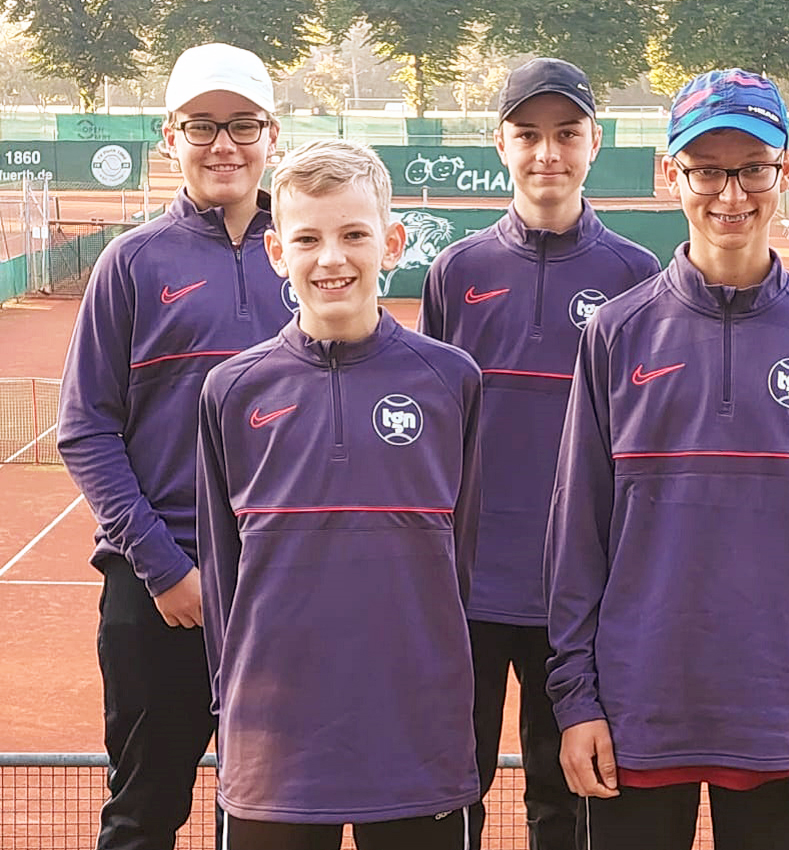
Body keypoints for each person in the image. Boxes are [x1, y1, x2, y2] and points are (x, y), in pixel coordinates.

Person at [544, 68, 789, 850]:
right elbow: (578, 535)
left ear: (783, 173)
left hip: (780, 716)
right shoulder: (615, 335)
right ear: (673, 175)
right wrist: (576, 701)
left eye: (751, 169)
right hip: (636, 712)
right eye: (705, 170)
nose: (729, 195)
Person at [196, 139, 482, 849]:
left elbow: (461, 562)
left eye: (354, 235)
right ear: (275, 252)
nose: (332, 259)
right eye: (308, 238)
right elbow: (221, 576)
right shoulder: (232, 392)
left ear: (391, 242)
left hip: (418, 743)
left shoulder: (451, 382)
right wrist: (232, 709)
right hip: (276, 751)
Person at [418, 57, 660, 850]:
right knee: (455, 789)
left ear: (596, 142)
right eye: (528, 134)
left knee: (567, 800)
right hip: (472, 592)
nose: (546, 153)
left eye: (565, 134)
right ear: (501, 144)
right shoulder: (457, 272)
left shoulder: (635, 276)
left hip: (578, 599)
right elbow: (435, 428)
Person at [57, 42, 291, 850]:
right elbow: (86, 428)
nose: (222, 144)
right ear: (170, 136)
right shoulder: (130, 262)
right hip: (160, 591)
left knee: (273, 815)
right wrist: (167, 570)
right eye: (201, 126)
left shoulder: (306, 259)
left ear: (271, 136)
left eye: (241, 125)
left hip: (285, 587)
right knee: (143, 814)